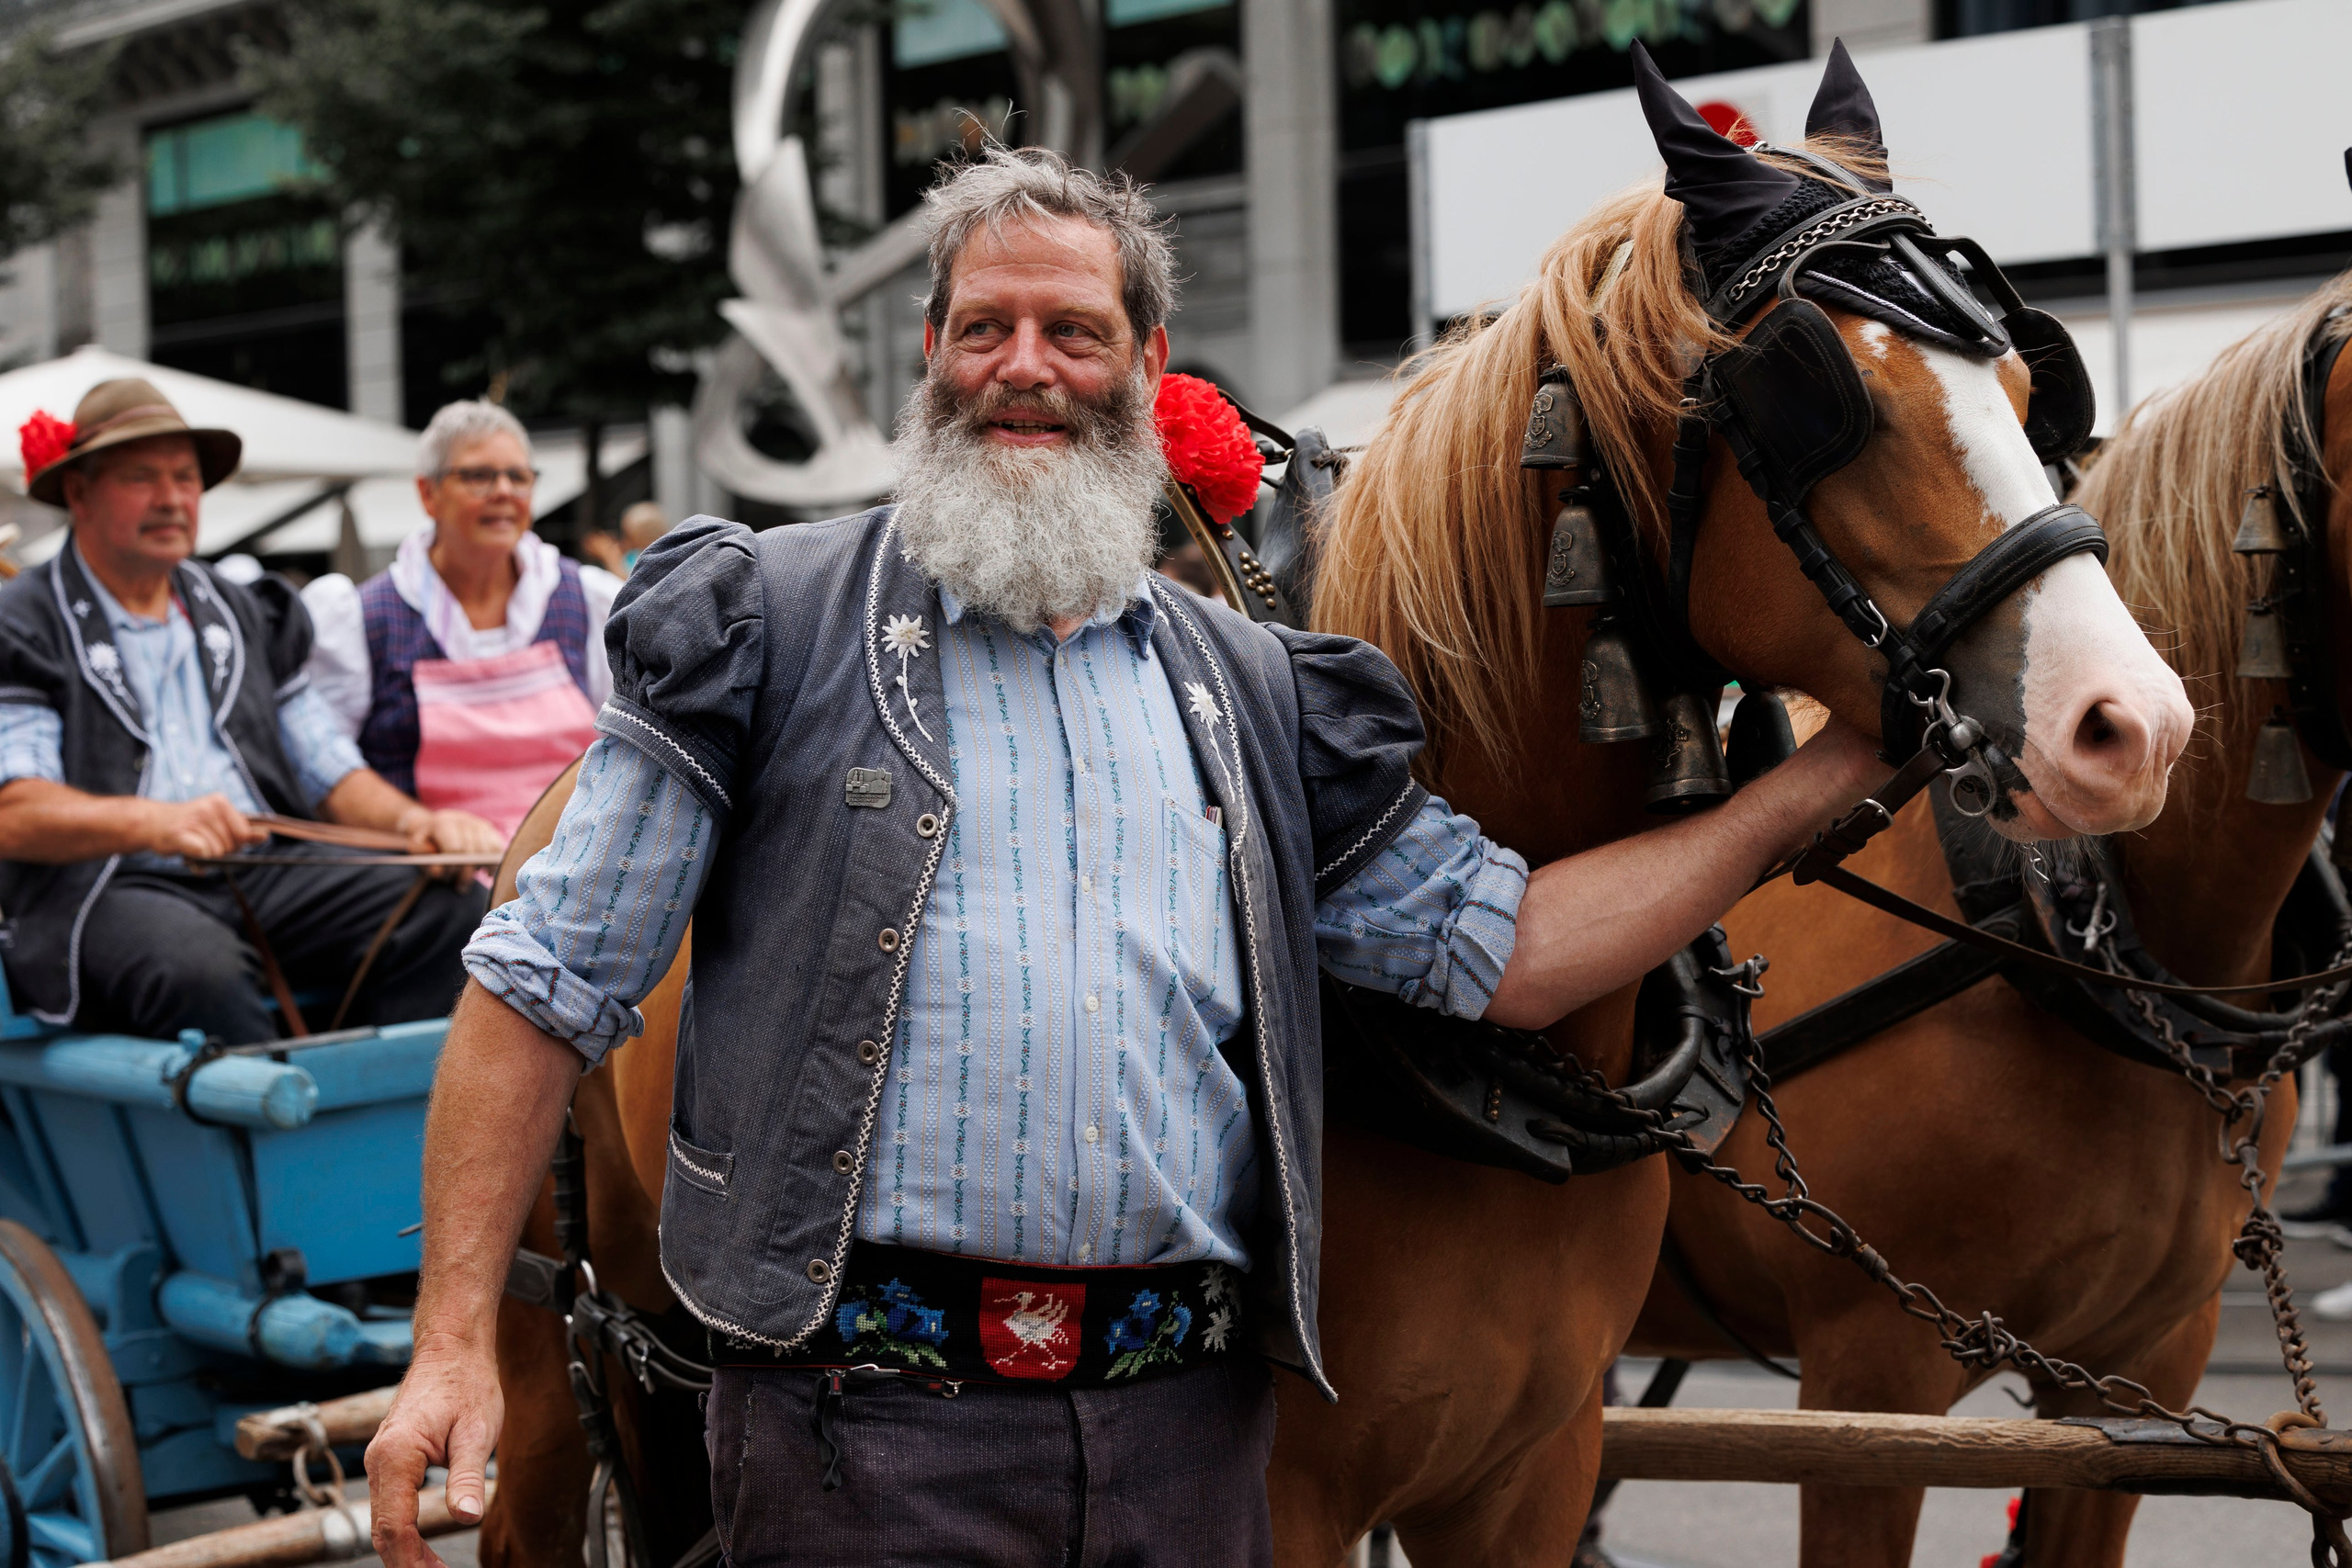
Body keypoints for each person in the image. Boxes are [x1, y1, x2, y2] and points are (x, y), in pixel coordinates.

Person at [367, 148, 1884, 1567]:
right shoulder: (764, 620)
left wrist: (1820, 779)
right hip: (865, 1441)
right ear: (931, 352)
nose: (1025, 367)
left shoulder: (1263, 693)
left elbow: (1513, 949)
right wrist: (449, 1342)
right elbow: (541, 985)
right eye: (985, 328)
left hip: (1183, 1446)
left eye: (1075, 332)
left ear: (1150, 368)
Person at [0, 378, 500, 1043]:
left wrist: (418, 823)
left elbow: (326, 765)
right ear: (78, 492)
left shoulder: (243, 609)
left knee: (452, 909)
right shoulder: (24, 620)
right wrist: (154, 822)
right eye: (141, 477)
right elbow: (15, 811)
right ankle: (274, 1113)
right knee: (194, 969)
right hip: (109, 883)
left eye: (186, 477)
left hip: (264, 869)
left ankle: (401, 1103)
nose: (172, 498)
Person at [301, 402, 625, 840]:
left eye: (519, 476)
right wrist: (415, 824)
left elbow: (627, 746)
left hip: (573, 862)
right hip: (432, 871)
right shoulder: (359, 618)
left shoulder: (589, 600)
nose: (503, 491)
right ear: (427, 493)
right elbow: (323, 769)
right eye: (478, 476)